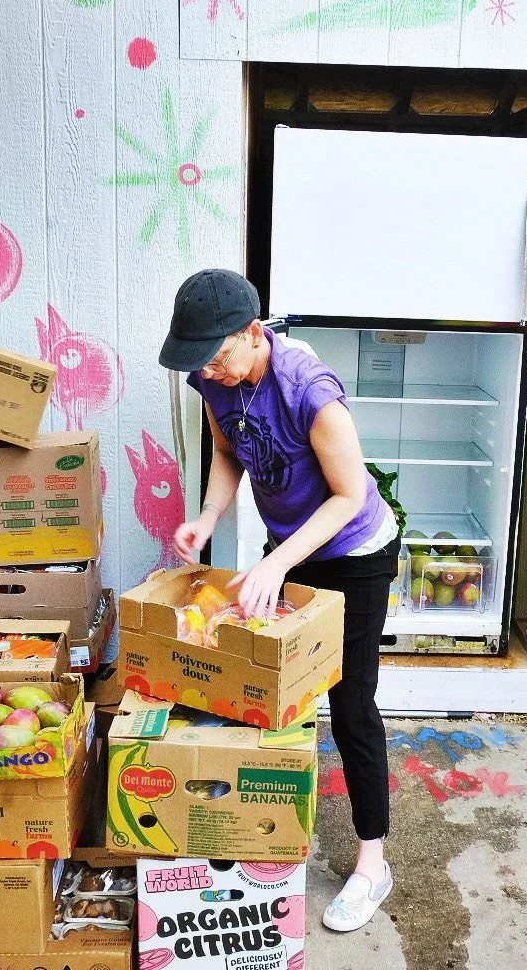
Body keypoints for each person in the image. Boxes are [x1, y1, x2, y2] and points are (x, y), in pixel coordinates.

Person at [160, 269, 399, 933]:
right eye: (201, 359)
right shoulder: (215, 377)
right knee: (268, 684)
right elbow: (226, 451)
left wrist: (277, 559)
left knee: (351, 704)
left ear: (253, 332)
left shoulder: (310, 393)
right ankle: (257, 830)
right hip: (289, 549)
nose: (211, 369)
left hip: (353, 552)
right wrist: (208, 517)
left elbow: (349, 495)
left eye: (220, 355)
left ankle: (372, 863)